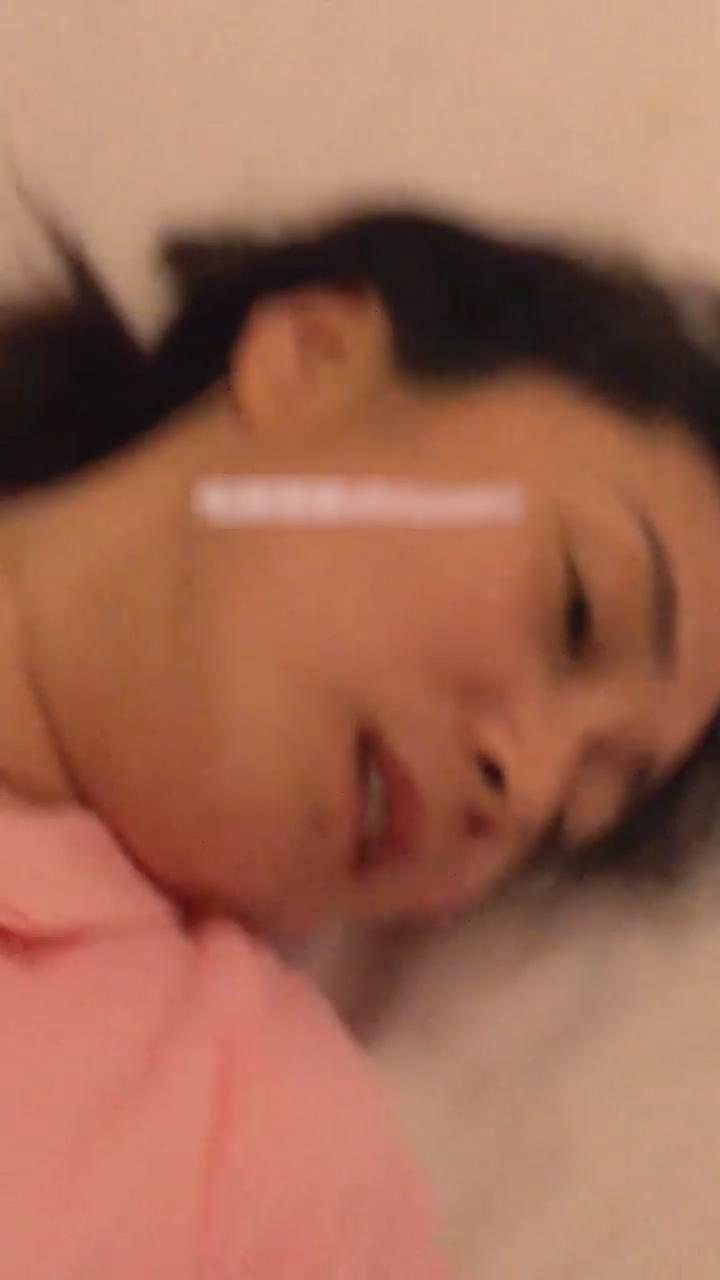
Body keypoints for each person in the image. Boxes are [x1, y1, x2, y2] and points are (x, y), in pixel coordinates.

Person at [1, 203, 720, 1275]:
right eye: (578, 610)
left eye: (567, 818)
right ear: (311, 357)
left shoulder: (260, 1174)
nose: (523, 786)